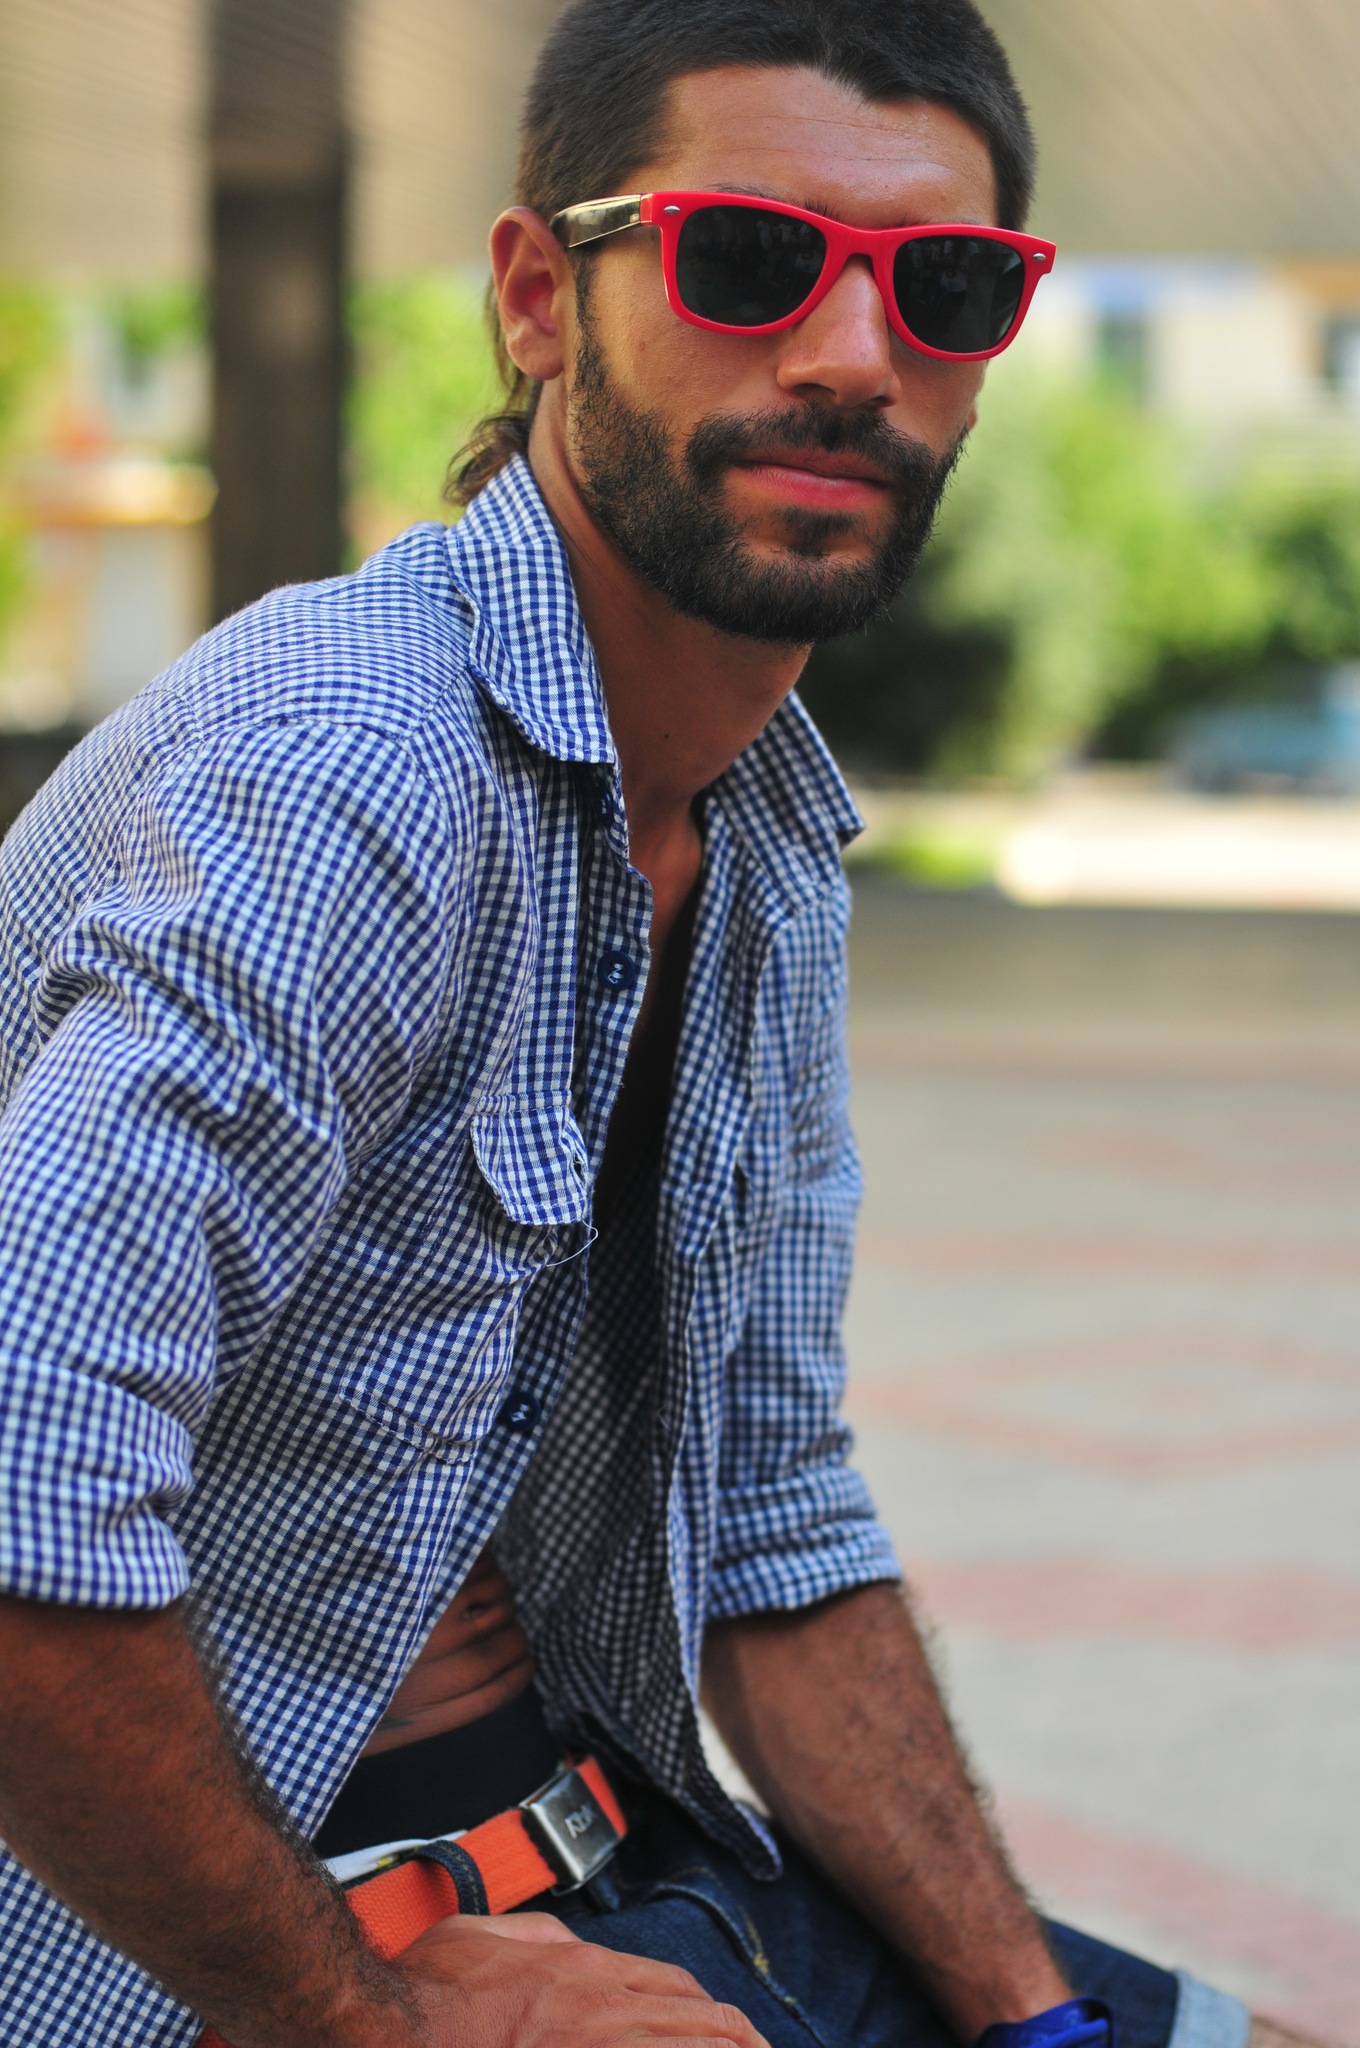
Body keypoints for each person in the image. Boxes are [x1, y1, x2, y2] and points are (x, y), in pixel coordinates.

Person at [0, 5, 1312, 2048]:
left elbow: (772, 1522)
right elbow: (21, 1489)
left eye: (944, 288)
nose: (853, 355)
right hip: (231, 1956)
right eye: (747, 257)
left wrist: (1032, 2020)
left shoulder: (761, 840)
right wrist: (360, 2023)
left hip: (621, 1858)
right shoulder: (347, 775)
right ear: (539, 298)